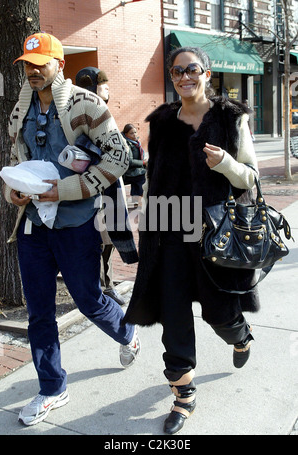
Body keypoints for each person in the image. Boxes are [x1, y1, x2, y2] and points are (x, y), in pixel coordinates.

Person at [4, 32, 140, 426]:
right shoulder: (22, 107)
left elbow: (119, 157)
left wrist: (62, 190)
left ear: (59, 65)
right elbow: (20, 156)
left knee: (88, 299)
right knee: (39, 313)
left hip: (76, 223)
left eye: (40, 64)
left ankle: (128, 331)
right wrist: (17, 191)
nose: (32, 71)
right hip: (33, 225)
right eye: (27, 65)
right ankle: (52, 387)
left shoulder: (86, 104)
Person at [123, 46, 260, 434]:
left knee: (220, 314)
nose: (184, 77)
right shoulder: (163, 120)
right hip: (168, 232)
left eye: (192, 70)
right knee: (174, 316)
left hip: (214, 234)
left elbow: (250, 177)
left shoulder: (231, 118)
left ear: (207, 73)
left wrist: (226, 165)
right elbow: (154, 179)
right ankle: (183, 395)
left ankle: (240, 335)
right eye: (177, 71)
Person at [75, 66, 125, 306]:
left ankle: (107, 285)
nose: (109, 90)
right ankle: (99, 288)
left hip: (108, 187)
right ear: (92, 86)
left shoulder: (100, 111)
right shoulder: (82, 113)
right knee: (97, 241)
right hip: (93, 188)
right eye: (104, 85)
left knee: (108, 241)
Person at [122, 124, 147, 206]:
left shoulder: (136, 143)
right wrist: (143, 163)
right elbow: (130, 162)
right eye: (131, 133)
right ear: (126, 135)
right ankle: (139, 200)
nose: (135, 134)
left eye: (135, 132)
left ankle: (136, 199)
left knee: (143, 173)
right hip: (127, 172)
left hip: (135, 169)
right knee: (142, 176)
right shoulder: (127, 144)